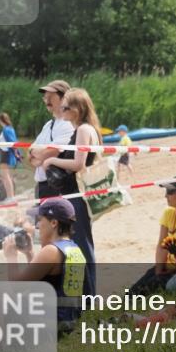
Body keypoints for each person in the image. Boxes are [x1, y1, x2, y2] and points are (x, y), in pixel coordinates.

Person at [39, 87, 101, 297]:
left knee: (81, 246)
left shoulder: (84, 130)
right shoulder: (84, 129)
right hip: (75, 195)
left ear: (77, 109)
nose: (62, 110)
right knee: (81, 244)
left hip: (77, 195)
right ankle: (85, 297)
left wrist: (51, 160)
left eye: (65, 107)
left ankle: (88, 298)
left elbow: (78, 163)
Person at [5, 197, 86, 330]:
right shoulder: (74, 248)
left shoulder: (51, 251)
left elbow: (17, 287)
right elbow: (41, 281)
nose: (37, 225)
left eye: (40, 220)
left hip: (51, 324)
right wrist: (29, 253)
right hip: (68, 321)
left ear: (53, 223)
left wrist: (11, 257)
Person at [29, 80, 75, 197]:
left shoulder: (68, 125)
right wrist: (37, 155)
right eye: (45, 97)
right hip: (42, 185)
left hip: (56, 186)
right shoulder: (48, 124)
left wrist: (39, 156)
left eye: (50, 97)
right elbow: (29, 153)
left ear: (64, 98)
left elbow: (49, 153)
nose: (47, 101)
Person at [0, 112, 20, 202]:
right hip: (4, 154)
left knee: (5, 176)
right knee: (6, 176)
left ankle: (10, 197)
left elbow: (13, 142)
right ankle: (10, 196)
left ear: (1, 120)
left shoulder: (6, 129)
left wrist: (17, 154)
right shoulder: (9, 128)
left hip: (5, 154)